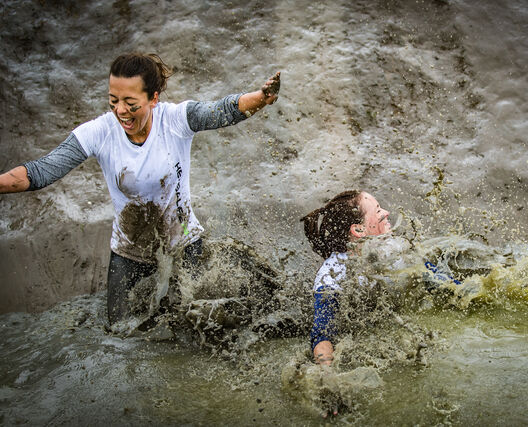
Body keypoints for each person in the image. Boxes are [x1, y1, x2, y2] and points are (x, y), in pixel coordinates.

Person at [0, 52, 281, 325]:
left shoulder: (175, 120)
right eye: (114, 101)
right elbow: (41, 171)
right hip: (129, 251)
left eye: (130, 103)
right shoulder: (99, 132)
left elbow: (222, 111)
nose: (121, 110)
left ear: (153, 99)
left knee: (198, 327)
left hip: (183, 241)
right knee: (121, 334)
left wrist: (261, 98)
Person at [300, 190, 391, 367]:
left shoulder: (387, 246)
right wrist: (327, 376)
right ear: (358, 229)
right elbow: (321, 335)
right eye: (378, 210)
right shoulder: (332, 278)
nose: (387, 212)